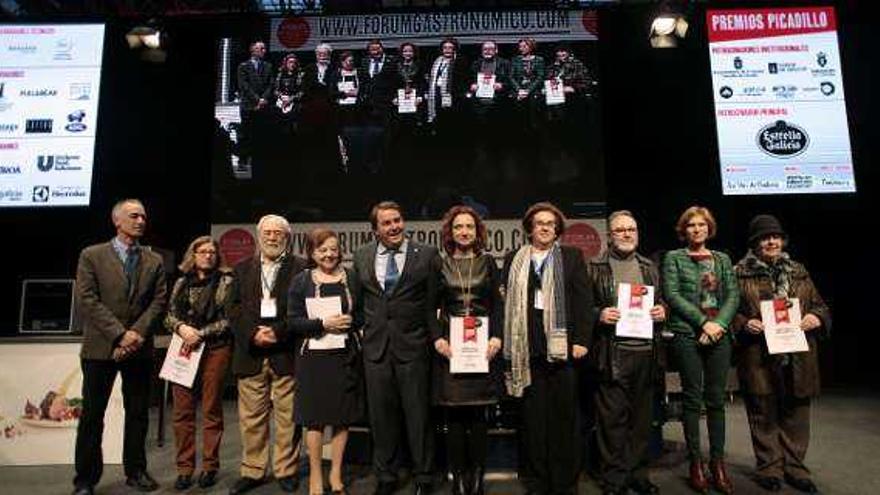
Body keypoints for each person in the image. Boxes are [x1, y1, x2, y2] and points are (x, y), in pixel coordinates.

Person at [72, 199, 167, 495]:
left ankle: (136, 471)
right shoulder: (92, 255)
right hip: (100, 348)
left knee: (138, 413)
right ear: (117, 221)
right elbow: (87, 299)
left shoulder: (155, 260)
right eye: (134, 216)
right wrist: (119, 334)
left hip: (139, 349)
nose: (140, 220)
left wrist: (136, 334)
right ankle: (86, 479)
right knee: (92, 415)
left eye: (143, 216)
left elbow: (159, 301)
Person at [733, 215, 830, 494]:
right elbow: (727, 312)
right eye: (765, 238)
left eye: (776, 237)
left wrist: (816, 317)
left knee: (797, 413)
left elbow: (820, 306)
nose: (772, 242)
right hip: (759, 354)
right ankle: (769, 468)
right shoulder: (740, 272)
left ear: (783, 241)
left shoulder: (799, 271)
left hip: (797, 355)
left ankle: (796, 469)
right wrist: (743, 322)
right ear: (755, 243)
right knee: (763, 412)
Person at [501, 202, 593, 495]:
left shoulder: (572, 256)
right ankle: (537, 482)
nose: (544, 227)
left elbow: (583, 302)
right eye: (539, 222)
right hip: (527, 349)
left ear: (557, 229)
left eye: (550, 223)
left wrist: (581, 341)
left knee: (563, 419)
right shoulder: (514, 257)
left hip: (563, 347)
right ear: (529, 227)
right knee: (533, 421)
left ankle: (565, 483)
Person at [352, 201, 441, 495]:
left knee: (418, 416)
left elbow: (432, 304)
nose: (394, 227)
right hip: (376, 350)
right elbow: (359, 303)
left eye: (397, 220)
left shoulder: (426, 254)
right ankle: (386, 475)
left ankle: (424, 476)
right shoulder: (362, 255)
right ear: (375, 229)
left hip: (414, 348)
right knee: (381, 417)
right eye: (386, 223)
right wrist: (364, 331)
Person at [587, 211, 666, 495]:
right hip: (612, 353)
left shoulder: (649, 267)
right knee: (612, 421)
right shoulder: (594, 266)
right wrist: (599, 314)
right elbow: (582, 309)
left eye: (631, 229)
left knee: (641, 421)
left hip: (647, 352)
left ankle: (638, 474)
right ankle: (614, 479)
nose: (626, 234)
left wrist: (662, 311)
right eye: (619, 230)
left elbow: (661, 302)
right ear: (609, 235)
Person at [662, 206, 739, 494]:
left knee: (717, 400)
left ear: (709, 228)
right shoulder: (674, 258)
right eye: (691, 225)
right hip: (687, 335)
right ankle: (696, 463)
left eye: (702, 225)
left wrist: (718, 324)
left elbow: (733, 295)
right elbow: (673, 295)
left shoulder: (722, 259)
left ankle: (717, 463)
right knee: (693, 400)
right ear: (684, 230)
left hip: (720, 334)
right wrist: (703, 323)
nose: (697, 229)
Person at [229, 214, 307, 494]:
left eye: (278, 233)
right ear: (259, 236)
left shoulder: (301, 267)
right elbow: (233, 309)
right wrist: (253, 334)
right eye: (268, 233)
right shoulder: (240, 269)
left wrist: (277, 332)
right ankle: (253, 470)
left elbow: (302, 309)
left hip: (285, 352)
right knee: (251, 418)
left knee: (287, 417)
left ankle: (286, 469)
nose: (273, 237)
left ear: (287, 237)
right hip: (250, 353)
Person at [288, 228, 365, 495]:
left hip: (344, 356)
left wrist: (351, 322)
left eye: (333, 249)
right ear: (312, 253)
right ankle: (316, 477)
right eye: (322, 250)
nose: (329, 254)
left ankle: (335, 475)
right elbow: (292, 321)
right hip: (313, 358)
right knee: (315, 419)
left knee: (342, 418)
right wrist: (323, 323)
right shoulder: (301, 281)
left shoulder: (351, 277)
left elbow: (364, 314)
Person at [432, 206, 503, 495]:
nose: (464, 232)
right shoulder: (439, 263)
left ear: (477, 232)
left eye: (470, 227)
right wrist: (438, 338)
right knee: (455, 417)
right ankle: (458, 480)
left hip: (483, 347)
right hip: (452, 348)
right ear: (451, 232)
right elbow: (429, 308)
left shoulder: (489, 263)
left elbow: (498, 307)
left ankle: (478, 479)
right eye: (459, 227)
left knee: (478, 418)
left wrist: (497, 338)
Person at [164, 236, 235, 490]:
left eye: (212, 252)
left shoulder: (227, 281)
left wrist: (200, 334)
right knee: (182, 411)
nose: (208, 255)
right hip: (184, 348)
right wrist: (182, 328)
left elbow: (229, 319)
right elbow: (169, 315)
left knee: (211, 409)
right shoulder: (182, 282)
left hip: (215, 348)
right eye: (202, 252)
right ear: (192, 256)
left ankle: (209, 466)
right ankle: (184, 468)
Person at [236, 40, 273, 168]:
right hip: (248, 105)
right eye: (261, 48)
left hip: (263, 105)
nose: (264, 51)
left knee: (261, 133)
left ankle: (261, 161)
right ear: (253, 50)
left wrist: (263, 99)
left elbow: (270, 85)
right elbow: (244, 86)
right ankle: (243, 160)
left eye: (264, 48)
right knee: (245, 133)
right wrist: (257, 99)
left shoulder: (268, 66)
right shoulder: (243, 66)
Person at [274, 53, 305, 137]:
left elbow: (302, 91)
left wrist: (291, 99)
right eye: (290, 62)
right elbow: (276, 90)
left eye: (294, 62)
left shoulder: (300, 75)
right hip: (281, 102)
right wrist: (281, 97)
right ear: (286, 63)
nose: (292, 64)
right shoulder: (280, 75)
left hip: (295, 103)